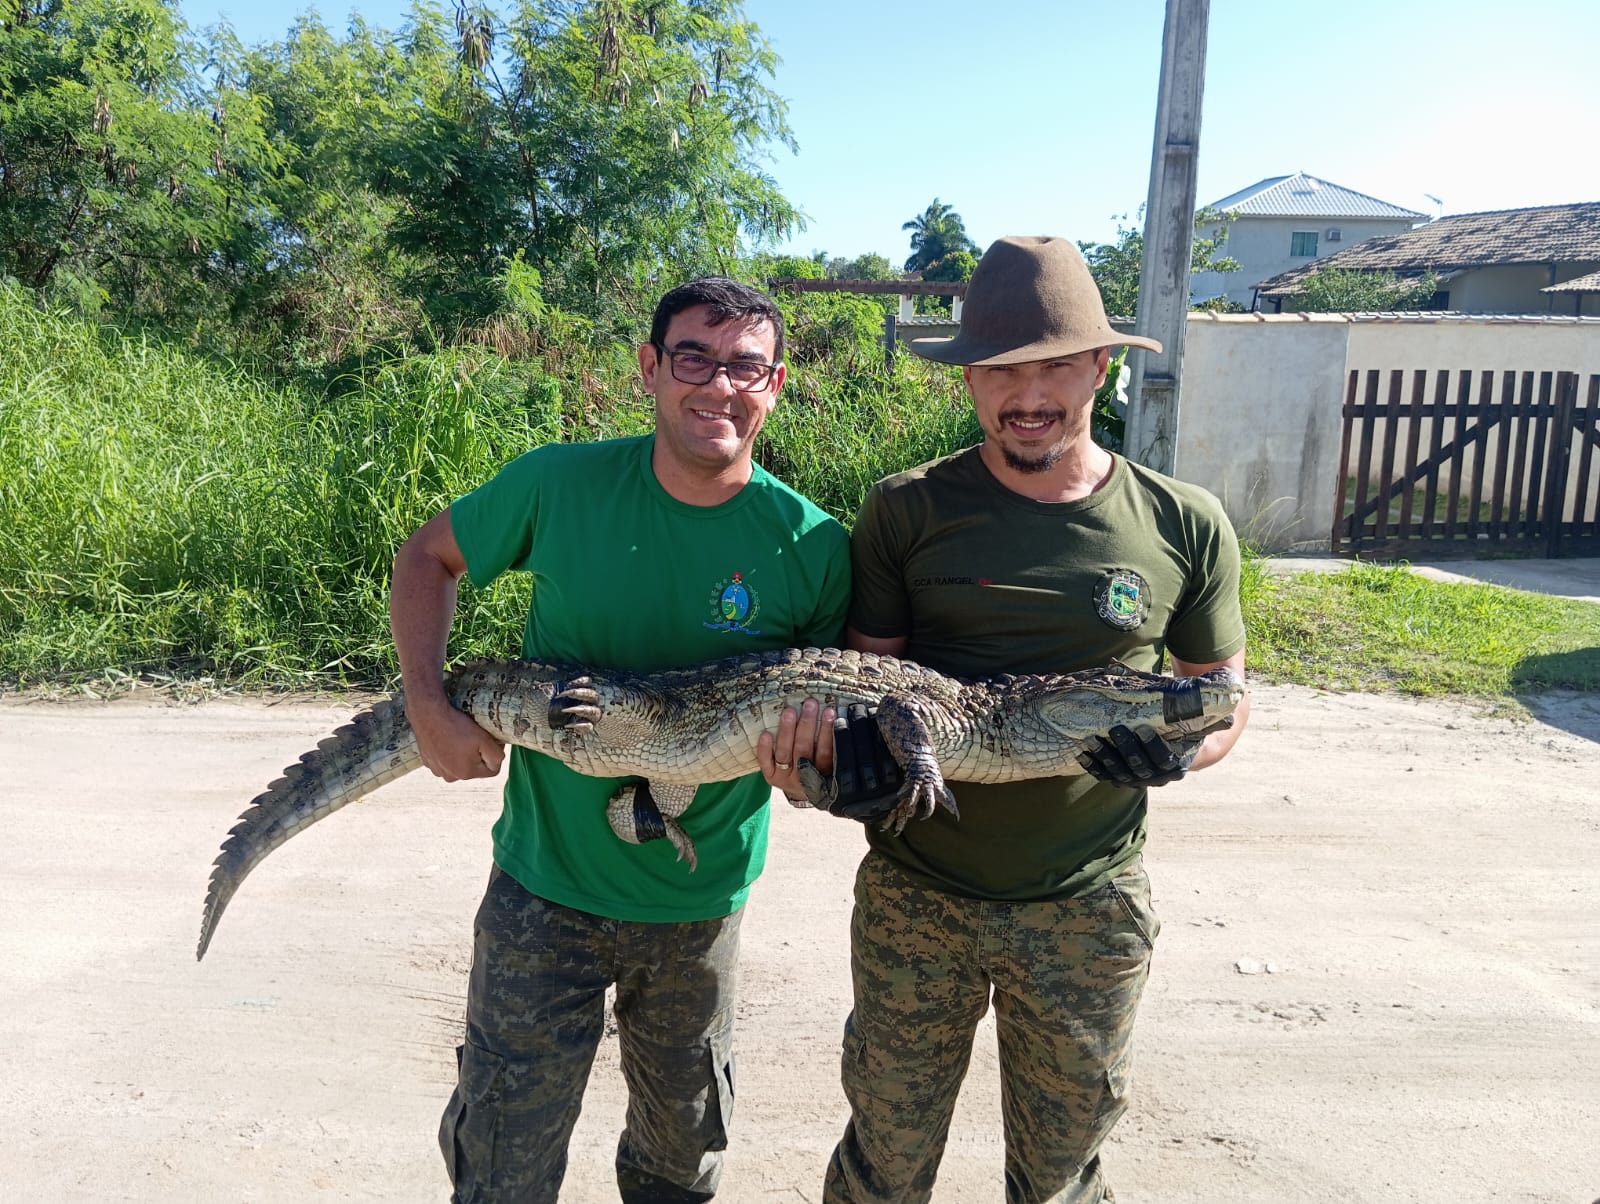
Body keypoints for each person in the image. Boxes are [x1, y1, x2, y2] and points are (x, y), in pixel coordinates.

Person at [760, 235, 1252, 1204]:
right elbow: (868, 684)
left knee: (1063, 1174)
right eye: (1001, 369)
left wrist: (1180, 758)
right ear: (971, 379)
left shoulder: (1183, 520)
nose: (1028, 392)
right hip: (919, 898)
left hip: (1088, 903)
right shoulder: (904, 507)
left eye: (1055, 363)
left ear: (1100, 366)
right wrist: (840, 770)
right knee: (884, 1164)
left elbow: (1223, 695)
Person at [390, 276, 852, 1204]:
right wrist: (428, 705)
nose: (719, 386)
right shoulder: (558, 483)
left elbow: (822, 745)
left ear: (776, 384)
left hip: (700, 900)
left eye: (745, 367)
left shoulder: (814, 544)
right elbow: (426, 556)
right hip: (541, 889)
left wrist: (809, 770)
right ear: (649, 367)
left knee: (679, 1167)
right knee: (503, 1162)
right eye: (694, 358)